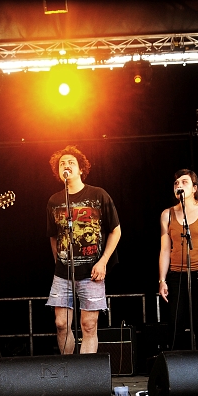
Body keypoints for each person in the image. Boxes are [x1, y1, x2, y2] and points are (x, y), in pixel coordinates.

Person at [46, 145, 121, 355]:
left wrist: (103, 261)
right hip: (63, 273)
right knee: (61, 323)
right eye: (62, 164)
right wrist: (58, 261)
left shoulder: (98, 194)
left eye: (70, 162)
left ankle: (85, 377)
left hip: (92, 271)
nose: (66, 166)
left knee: (88, 324)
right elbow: (52, 235)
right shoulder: (54, 200)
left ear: (80, 169)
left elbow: (116, 230)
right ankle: (69, 374)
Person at [158, 169, 198, 349]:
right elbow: (165, 249)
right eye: (176, 183)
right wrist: (162, 280)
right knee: (175, 322)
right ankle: (175, 368)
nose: (179, 185)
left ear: (194, 188)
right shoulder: (167, 214)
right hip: (177, 273)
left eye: (184, 182)